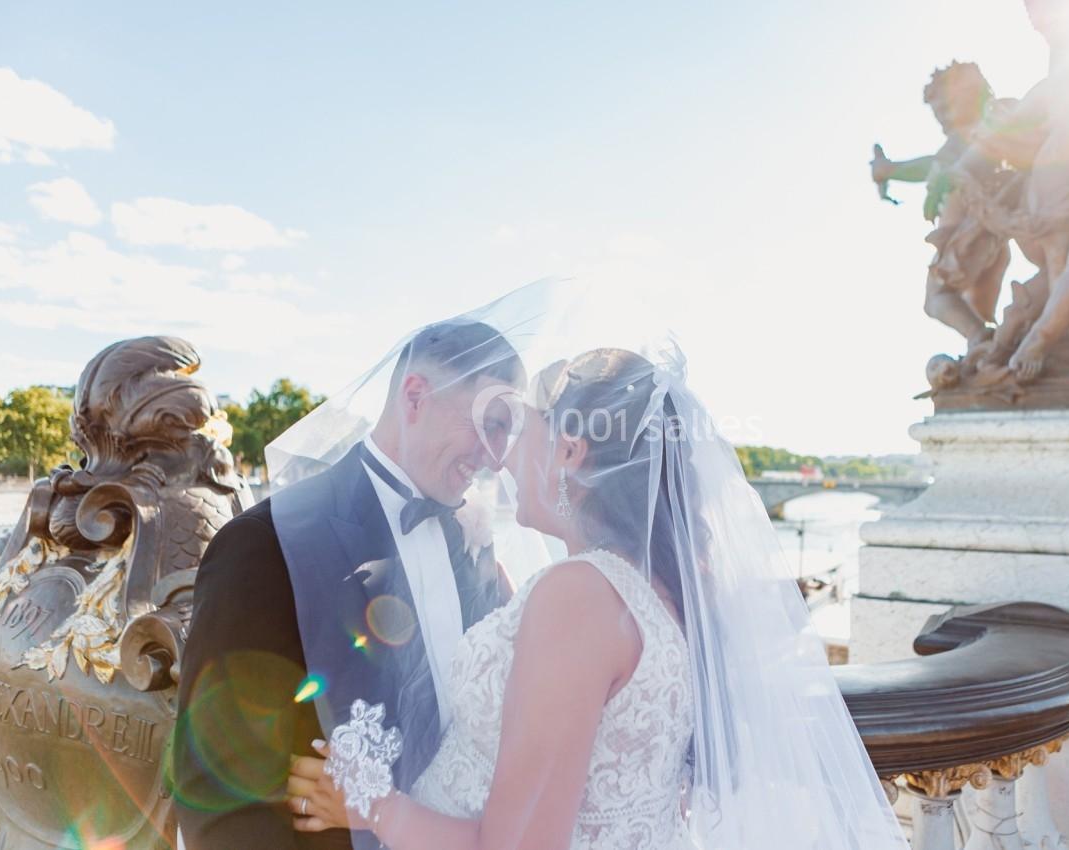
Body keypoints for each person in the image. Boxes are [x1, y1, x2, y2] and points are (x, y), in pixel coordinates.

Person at [285, 336, 909, 849]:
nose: (500, 459)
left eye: (518, 430)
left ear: (570, 451)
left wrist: (374, 807)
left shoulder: (578, 595)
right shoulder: (664, 587)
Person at [173, 317, 526, 850]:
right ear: (415, 396)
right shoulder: (264, 546)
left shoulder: (471, 540)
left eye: (507, 432)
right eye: (489, 423)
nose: (496, 456)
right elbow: (220, 797)